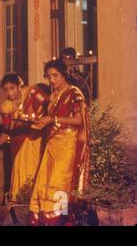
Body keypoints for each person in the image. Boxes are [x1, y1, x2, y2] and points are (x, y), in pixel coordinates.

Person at [28, 59, 90, 226]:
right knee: (45, 183)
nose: (52, 80)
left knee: (60, 182)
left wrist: (53, 119)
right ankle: (46, 219)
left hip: (67, 146)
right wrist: (41, 123)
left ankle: (60, 220)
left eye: (55, 76)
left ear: (64, 75)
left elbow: (79, 120)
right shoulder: (53, 97)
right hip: (52, 144)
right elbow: (51, 121)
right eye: (49, 76)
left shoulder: (74, 93)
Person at [0, 73, 50, 204]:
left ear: (19, 85)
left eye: (12, 88)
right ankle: (20, 206)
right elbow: (6, 132)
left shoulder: (32, 93)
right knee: (20, 177)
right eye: (6, 89)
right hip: (18, 146)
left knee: (37, 174)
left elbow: (49, 107)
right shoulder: (6, 107)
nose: (9, 93)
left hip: (36, 141)